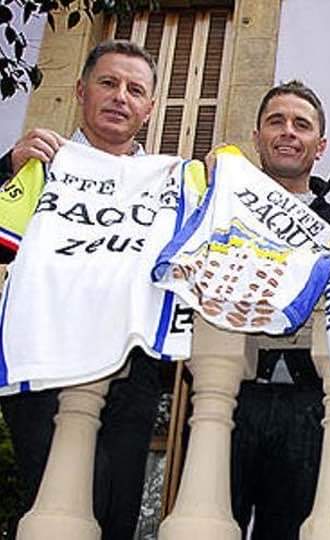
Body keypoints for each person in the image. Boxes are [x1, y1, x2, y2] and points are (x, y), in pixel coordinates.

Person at [0, 39, 165, 540]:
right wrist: (7, 170)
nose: (120, 97)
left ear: (150, 108)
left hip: (130, 373)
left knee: (116, 513)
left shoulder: (169, 185)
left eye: (135, 90)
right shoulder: (37, 165)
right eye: (108, 83)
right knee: (56, 510)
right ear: (80, 90)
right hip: (41, 365)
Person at [223, 80, 330, 539]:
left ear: (320, 145)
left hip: (311, 403)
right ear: (257, 137)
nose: (288, 132)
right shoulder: (222, 208)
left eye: (301, 125)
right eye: (276, 121)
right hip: (232, 394)